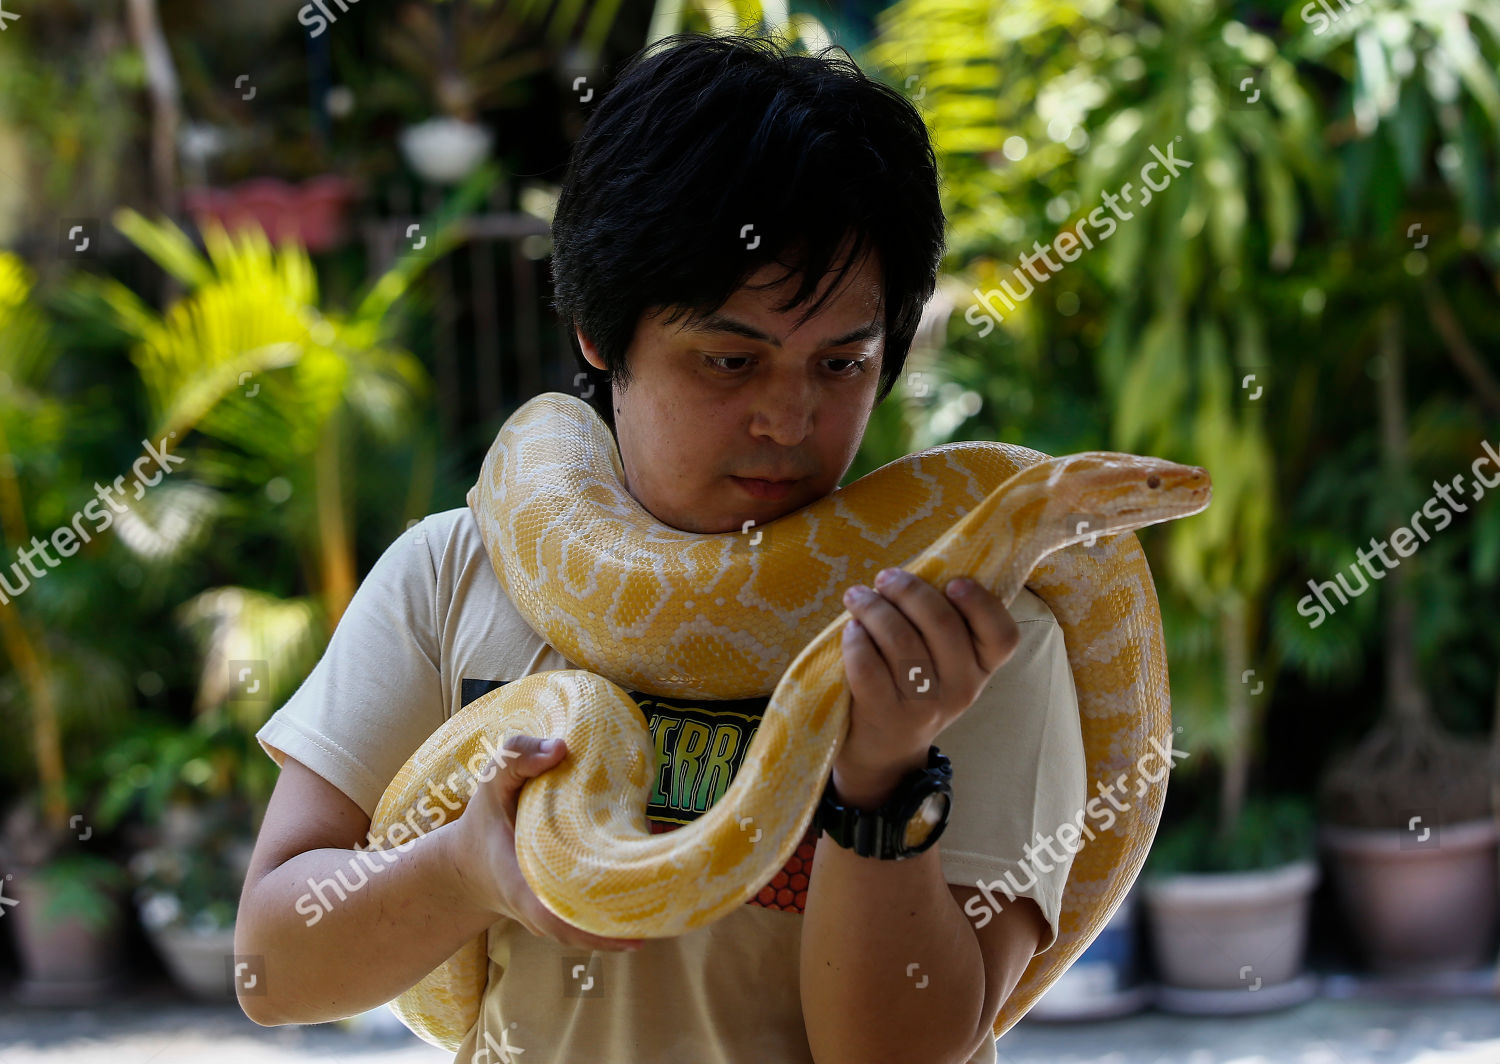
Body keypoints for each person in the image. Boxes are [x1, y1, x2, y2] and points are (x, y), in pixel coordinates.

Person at [236, 31, 1087, 1064]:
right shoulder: (457, 572)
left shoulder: (965, 631)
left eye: (842, 361)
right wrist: (465, 866)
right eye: (731, 358)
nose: (789, 415)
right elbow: (270, 968)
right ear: (601, 333)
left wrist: (884, 775)